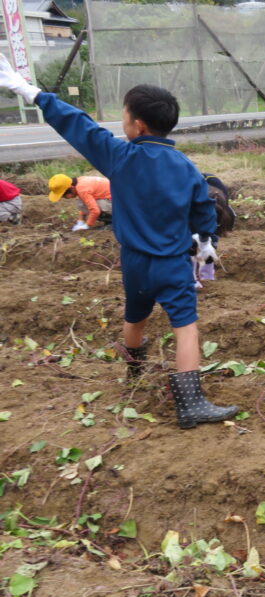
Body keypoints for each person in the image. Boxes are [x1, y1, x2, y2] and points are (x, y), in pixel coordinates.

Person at [0, 52, 236, 429]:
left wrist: (28, 90)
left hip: (133, 262)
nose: (121, 122)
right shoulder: (187, 169)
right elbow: (204, 212)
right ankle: (190, 404)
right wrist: (205, 240)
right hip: (171, 262)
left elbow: (77, 125)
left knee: (136, 315)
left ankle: (134, 374)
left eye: (123, 116)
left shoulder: (120, 156)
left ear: (137, 126)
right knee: (185, 326)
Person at [192, 173, 236, 287]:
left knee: (209, 245)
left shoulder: (224, 212)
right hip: (193, 205)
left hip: (215, 196)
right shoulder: (191, 200)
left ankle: (206, 276)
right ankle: (192, 276)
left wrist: (209, 244)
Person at [48, 174, 112, 230]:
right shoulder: (80, 181)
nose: (66, 198)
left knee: (81, 204)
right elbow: (86, 203)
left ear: (71, 188)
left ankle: (113, 221)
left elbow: (95, 210)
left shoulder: (82, 189)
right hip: (114, 200)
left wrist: (87, 225)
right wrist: (80, 220)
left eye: (64, 196)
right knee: (81, 203)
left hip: (118, 203)